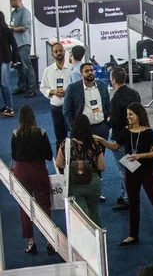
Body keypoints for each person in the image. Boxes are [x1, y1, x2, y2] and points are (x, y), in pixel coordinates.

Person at [95, 103, 153, 246]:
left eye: (131, 114)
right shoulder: (125, 131)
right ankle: (133, 234)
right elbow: (115, 146)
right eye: (127, 115)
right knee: (133, 203)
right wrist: (102, 141)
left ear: (139, 115)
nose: (128, 117)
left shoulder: (148, 132)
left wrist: (140, 156)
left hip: (147, 170)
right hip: (130, 170)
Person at [11, 105, 53, 254]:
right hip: (38, 170)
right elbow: (49, 155)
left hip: (21, 171)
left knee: (25, 207)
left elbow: (14, 156)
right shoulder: (41, 133)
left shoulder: (15, 134)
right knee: (45, 205)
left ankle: (31, 242)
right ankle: (49, 241)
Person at [54, 115, 106, 226]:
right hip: (93, 182)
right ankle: (98, 239)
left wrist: (71, 168)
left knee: (82, 215)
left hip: (75, 183)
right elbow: (101, 166)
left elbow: (58, 163)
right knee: (94, 212)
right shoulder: (95, 144)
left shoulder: (66, 144)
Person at [108, 66, 141, 211]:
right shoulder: (135, 94)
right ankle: (129, 193)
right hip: (134, 136)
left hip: (120, 138)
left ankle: (128, 197)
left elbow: (114, 121)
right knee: (131, 166)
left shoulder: (115, 99)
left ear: (113, 80)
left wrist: (108, 120)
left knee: (124, 170)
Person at [62, 63, 111, 139]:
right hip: (83, 129)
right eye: (86, 71)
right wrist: (73, 127)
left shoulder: (102, 86)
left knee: (101, 151)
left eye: (91, 70)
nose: (90, 72)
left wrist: (107, 125)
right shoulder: (73, 88)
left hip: (101, 127)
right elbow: (66, 110)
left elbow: (108, 105)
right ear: (81, 74)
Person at [40, 42, 70, 144]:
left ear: (64, 52)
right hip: (56, 108)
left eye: (60, 50)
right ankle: (61, 159)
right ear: (52, 54)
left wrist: (68, 92)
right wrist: (53, 92)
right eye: (56, 51)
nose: (59, 53)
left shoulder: (72, 68)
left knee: (76, 136)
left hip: (71, 107)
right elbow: (43, 88)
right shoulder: (48, 71)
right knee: (60, 139)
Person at [9, 0, 33, 97]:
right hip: (16, 44)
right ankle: (22, 87)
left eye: (11, 1)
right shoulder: (13, 13)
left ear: (17, 0)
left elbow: (24, 28)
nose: (10, 3)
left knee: (27, 67)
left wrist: (12, 28)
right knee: (19, 67)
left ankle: (32, 89)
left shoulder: (25, 12)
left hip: (24, 43)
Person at [0, 11, 16, 117]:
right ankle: (7, 106)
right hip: (2, 60)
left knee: (5, 84)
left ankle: (10, 107)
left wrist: (15, 60)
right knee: (2, 84)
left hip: (5, 60)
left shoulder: (7, 31)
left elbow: (14, 45)